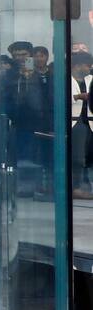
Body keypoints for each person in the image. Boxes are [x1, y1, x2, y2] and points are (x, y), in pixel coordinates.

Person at [70, 51, 93, 199]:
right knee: (77, 156)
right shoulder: (67, 78)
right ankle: (75, 186)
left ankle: (87, 185)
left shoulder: (90, 79)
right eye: (87, 65)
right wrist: (78, 97)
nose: (90, 68)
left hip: (89, 120)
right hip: (74, 121)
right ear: (78, 65)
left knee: (89, 155)